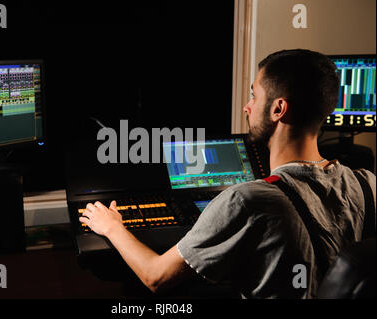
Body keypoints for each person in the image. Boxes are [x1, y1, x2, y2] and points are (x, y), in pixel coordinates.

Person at [80, 49, 376, 298]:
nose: (247, 107)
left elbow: (155, 277)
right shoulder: (367, 184)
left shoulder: (246, 200)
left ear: (278, 109)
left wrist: (112, 227)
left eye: (254, 96)